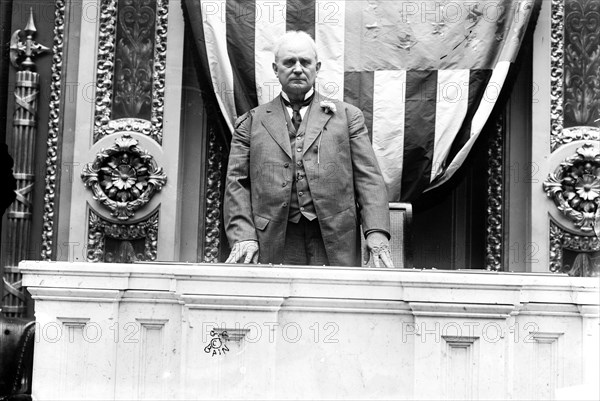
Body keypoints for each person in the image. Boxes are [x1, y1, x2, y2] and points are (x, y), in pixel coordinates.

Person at [224, 30, 393, 268]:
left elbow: (369, 179)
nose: (297, 68)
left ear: (317, 67)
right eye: (289, 62)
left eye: (305, 62)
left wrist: (375, 233)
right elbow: (236, 184)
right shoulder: (251, 122)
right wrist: (243, 235)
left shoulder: (347, 117)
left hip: (336, 238)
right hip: (272, 239)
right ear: (275, 69)